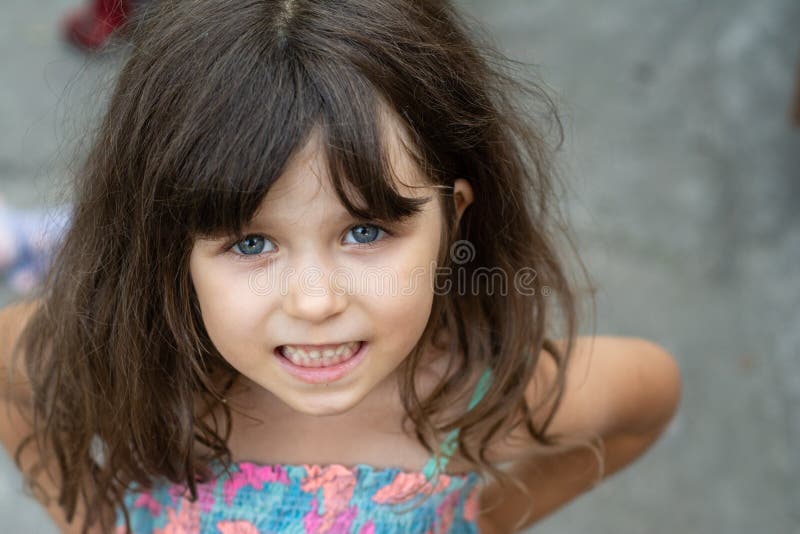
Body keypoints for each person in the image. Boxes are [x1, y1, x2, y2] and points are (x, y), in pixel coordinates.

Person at [0, 0, 683, 533]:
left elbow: (649, 399)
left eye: (364, 230)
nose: (315, 301)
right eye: (250, 244)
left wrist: (489, 518)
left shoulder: (480, 403)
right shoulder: (131, 369)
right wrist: (92, 519)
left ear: (454, 221)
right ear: (167, 247)